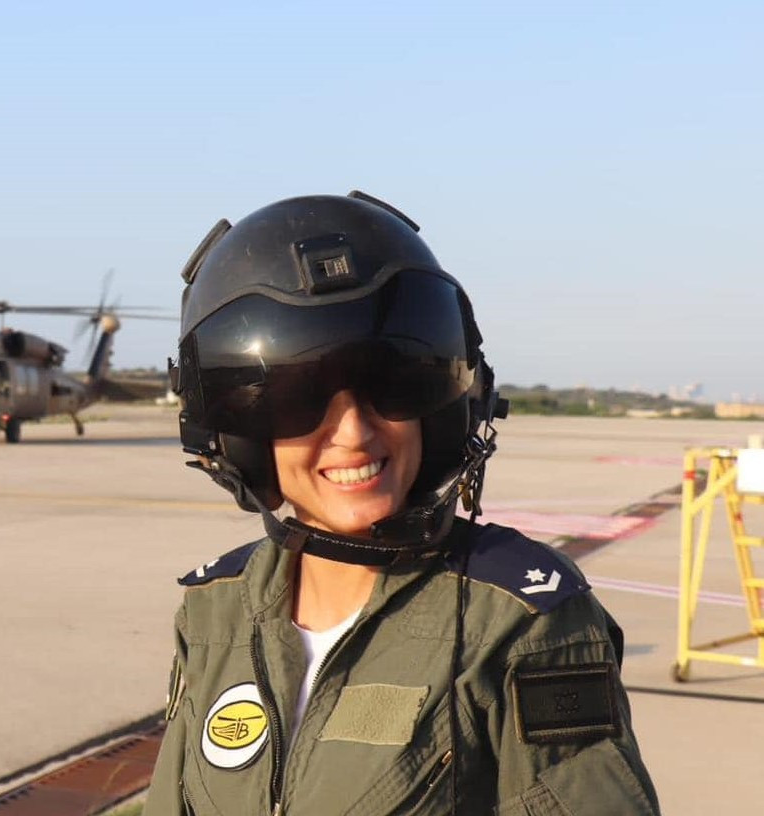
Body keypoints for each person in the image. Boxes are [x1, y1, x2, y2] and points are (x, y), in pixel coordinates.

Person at [144, 191, 660, 815]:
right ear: (238, 439)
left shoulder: (517, 622)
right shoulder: (215, 610)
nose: (354, 433)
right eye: (295, 398)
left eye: (392, 383)